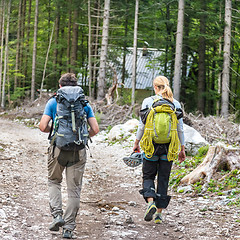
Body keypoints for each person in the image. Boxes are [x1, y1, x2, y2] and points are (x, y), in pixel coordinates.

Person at [39, 73, 99, 238]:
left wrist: (54, 132)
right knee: (74, 191)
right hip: (78, 150)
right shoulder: (84, 103)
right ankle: (68, 229)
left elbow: (42, 126)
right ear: (76, 86)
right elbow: (95, 129)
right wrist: (82, 136)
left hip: (57, 148)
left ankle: (57, 216)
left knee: (54, 181)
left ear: (60, 87)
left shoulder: (53, 102)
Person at [132, 75, 185, 224]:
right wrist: (182, 148)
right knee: (163, 178)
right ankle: (159, 215)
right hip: (169, 147)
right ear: (167, 86)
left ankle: (150, 202)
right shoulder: (175, 103)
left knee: (148, 175)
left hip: (151, 145)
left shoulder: (148, 102)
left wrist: (136, 142)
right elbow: (180, 129)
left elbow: (142, 126)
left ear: (155, 87)